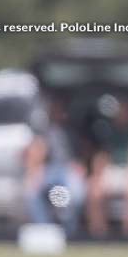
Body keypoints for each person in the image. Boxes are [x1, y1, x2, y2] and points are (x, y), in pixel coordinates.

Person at [84, 95, 128, 238]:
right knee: (94, 190)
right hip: (111, 170)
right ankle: (98, 235)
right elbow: (101, 157)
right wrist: (97, 175)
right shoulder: (108, 134)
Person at [22, 95, 87, 235]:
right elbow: (36, 154)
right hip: (49, 169)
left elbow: (82, 156)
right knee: (32, 190)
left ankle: (69, 232)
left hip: (68, 169)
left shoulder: (73, 131)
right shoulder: (43, 131)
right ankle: (44, 230)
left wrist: (80, 166)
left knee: (76, 194)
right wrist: (34, 173)